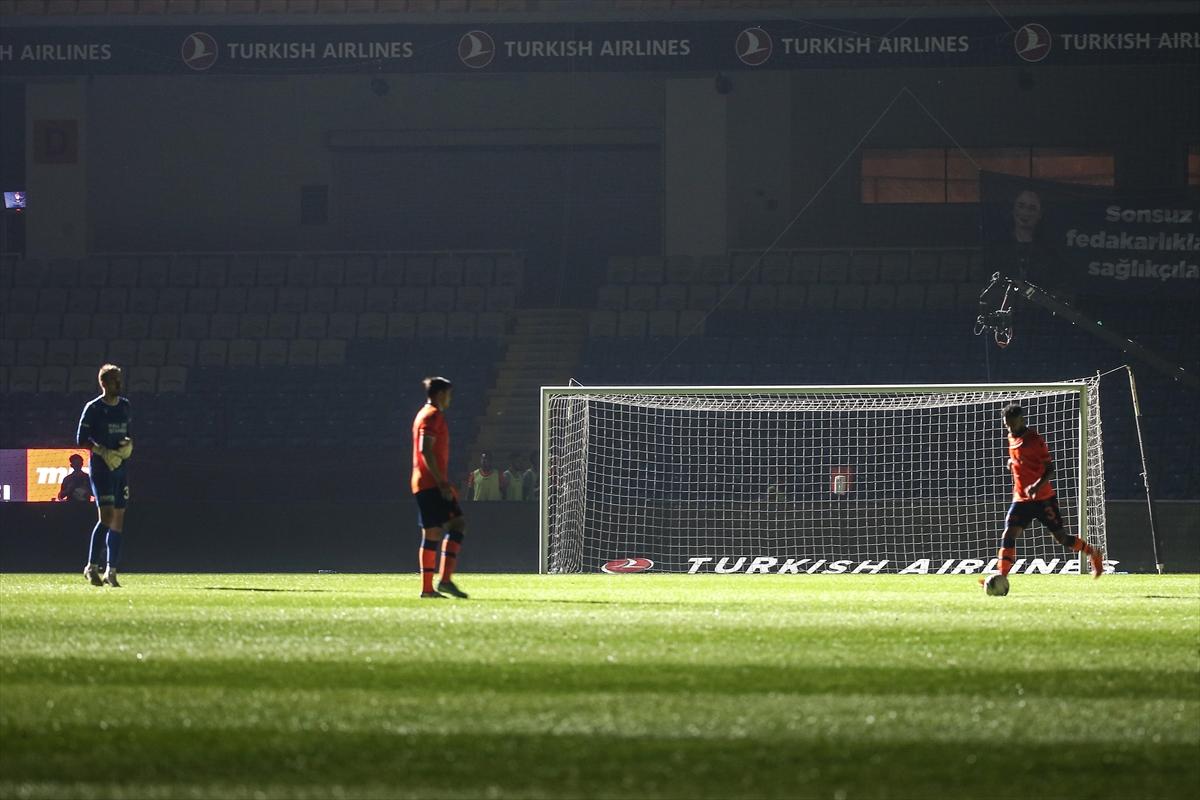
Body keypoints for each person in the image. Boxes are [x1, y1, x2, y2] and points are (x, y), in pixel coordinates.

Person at [987, 403, 1104, 589]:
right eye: (1007, 425)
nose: (1010, 429)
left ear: (1022, 420)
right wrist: (1012, 462)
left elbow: (1050, 469)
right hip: (1021, 499)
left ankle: (1093, 552)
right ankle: (1001, 576)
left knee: (1062, 538)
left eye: (1013, 424)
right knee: (1009, 533)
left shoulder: (1034, 440)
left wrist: (1035, 486)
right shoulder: (1011, 436)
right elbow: (1021, 459)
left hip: (1043, 498)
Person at [411, 376, 468, 599]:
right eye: (448, 394)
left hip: (422, 483)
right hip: (431, 484)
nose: (449, 399)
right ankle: (443, 580)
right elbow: (426, 450)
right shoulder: (433, 415)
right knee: (458, 524)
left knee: (432, 532)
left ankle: (428, 588)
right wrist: (442, 482)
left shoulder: (422, 414)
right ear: (441, 394)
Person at [77, 364, 133, 588]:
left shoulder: (126, 406)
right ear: (104, 383)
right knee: (107, 517)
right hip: (102, 469)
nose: (119, 384)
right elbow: (81, 438)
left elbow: (128, 435)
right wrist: (103, 452)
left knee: (119, 520)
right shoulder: (93, 408)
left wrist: (128, 447)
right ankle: (91, 567)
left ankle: (112, 570)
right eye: (115, 380)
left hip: (120, 468)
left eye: (120, 379)